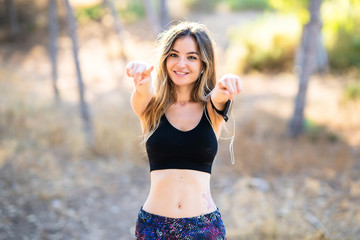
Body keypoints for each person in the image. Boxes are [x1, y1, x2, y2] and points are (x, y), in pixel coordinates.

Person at [126, 21, 242, 240]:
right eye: (174, 54)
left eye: (192, 57)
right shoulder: (151, 107)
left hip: (204, 228)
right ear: (165, 59)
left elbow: (219, 94)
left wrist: (226, 83)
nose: (181, 64)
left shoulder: (211, 110)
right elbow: (142, 92)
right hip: (154, 227)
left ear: (203, 65)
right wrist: (141, 79)